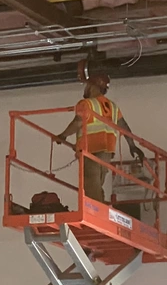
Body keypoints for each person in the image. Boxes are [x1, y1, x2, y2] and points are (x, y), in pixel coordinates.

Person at [54, 70, 145, 207]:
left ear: (93, 86)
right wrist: (132, 145)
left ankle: (97, 211)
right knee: (97, 184)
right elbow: (123, 126)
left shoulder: (87, 104)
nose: (86, 88)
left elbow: (77, 123)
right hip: (107, 152)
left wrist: (63, 136)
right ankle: (100, 208)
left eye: (87, 85)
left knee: (91, 183)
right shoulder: (113, 107)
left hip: (91, 149)